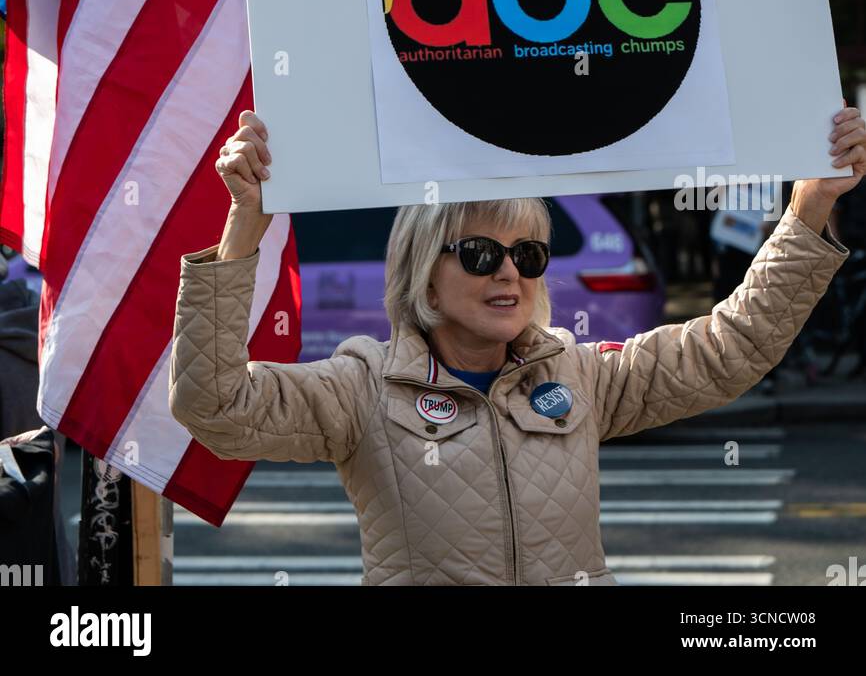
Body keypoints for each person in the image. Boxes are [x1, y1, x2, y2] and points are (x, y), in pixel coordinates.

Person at [169, 104, 865, 587]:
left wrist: (810, 206)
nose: (509, 271)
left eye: (528, 254)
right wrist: (244, 227)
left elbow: (730, 349)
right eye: (480, 253)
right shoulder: (362, 387)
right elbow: (215, 406)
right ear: (425, 276)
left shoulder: (579, 375)